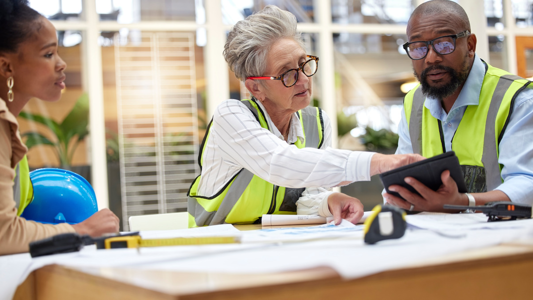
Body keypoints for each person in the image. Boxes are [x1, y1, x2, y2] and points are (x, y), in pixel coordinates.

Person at [187, 5, 423, 227]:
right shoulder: (231, 116)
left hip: (274, 241)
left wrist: (327, 202)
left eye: (304, 64)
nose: (303, 79)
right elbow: (280, 163)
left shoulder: (317, 123)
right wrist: (380, 162)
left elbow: (307, 197)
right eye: (287, 73)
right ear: (256, 87)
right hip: (215, 241)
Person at [384, 0, 533, 212]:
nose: (431, 58)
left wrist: (465, 202)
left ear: (470, 45)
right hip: (436, 237)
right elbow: (402, 177)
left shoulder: (517, 98)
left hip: (504, 237)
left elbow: (527, 182)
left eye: (444, 44)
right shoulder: (413, 102)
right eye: (418, 48)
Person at [0, 0, 119, 255]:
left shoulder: (9, 124)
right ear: (6, 66)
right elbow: (3, 234)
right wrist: (81, 230)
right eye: (48, 54)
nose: (61, 64)